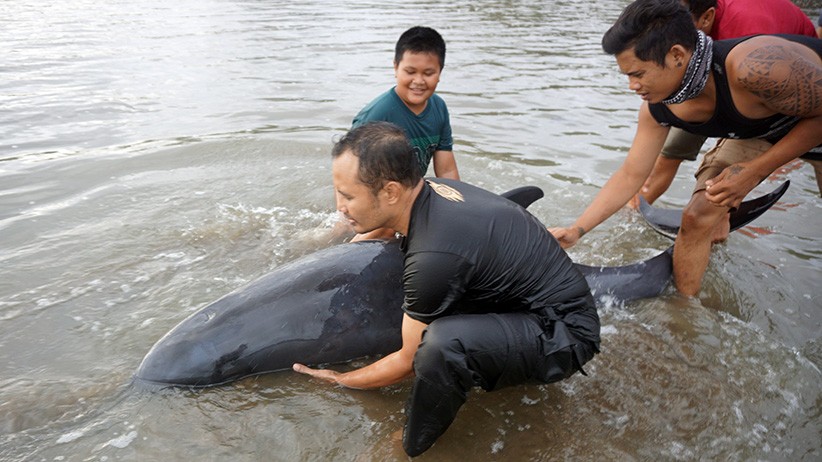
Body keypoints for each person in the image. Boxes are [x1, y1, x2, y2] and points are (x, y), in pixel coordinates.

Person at [294, 122, 600, 457]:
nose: (340, 205)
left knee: (440, 347)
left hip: (566, 334)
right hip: (528, 302)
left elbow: (408, 360)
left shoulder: (433, 257)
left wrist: (341, 379)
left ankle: (413, 442)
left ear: (392, 192)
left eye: (349, 196)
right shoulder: (433, 190)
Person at [549, 0, 822, 297]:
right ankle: (686, 310)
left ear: (677, 54)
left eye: (638, 74)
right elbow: (631, 175)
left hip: (814, 119)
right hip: (757, 130)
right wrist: (577, 230)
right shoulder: (656, 109)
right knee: (697, 215)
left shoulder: (755, 66)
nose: (631, 86)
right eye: (626, 75)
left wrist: (753, 173)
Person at [632, 0, 819, 212]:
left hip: (789, 93)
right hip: (713, 83)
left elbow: (737, 112)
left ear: (707, 17)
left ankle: (723, 216)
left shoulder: (751, 43)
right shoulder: (691, 44)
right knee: (670, 151)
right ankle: (632, 214)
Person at [347, 26, 460, 242]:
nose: (419, 81)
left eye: (428, 73)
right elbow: (351, 173)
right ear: (396, 67)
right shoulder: (378, 114)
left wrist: (458, 208)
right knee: (357, 234)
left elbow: (447, 171)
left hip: (406, 195)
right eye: (410, 72)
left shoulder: (439, 108)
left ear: (440, 73)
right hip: (372, 195)